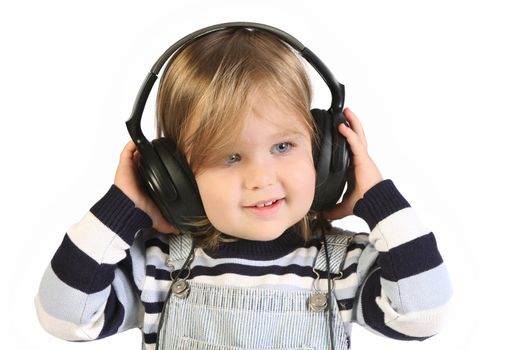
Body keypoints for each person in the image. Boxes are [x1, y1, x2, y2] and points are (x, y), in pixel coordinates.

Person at [35, 26, 452, 350]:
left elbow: (423, 315)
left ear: (327, 153)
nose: (262, 178)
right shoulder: (159, 265)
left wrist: (376, 199)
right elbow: (64, 317)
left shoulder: (340, 265)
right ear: (175, 175)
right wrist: (122, 208)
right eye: (231, 157)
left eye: (283, 146)